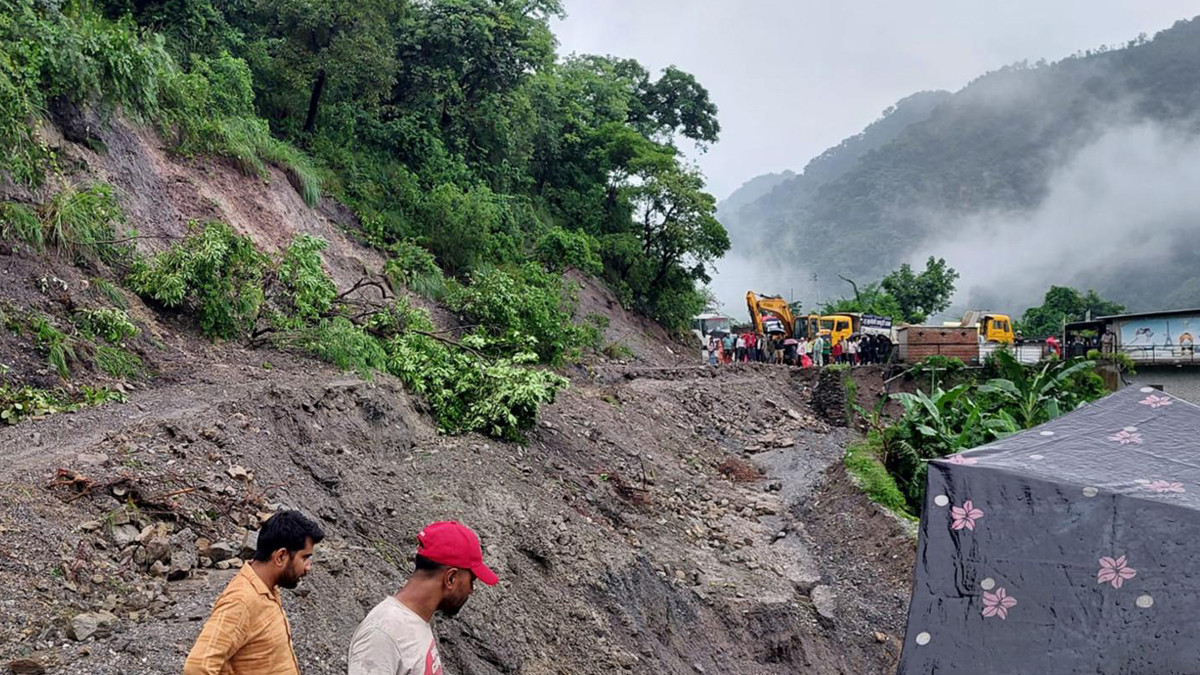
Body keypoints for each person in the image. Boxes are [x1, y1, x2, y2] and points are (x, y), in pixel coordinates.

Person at [347, 521, 498, 675]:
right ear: (451, 578)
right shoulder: (383, 633)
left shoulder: (416, 621)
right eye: (471, 581)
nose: (471, 590)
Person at [184, 511, 325, 675]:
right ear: (280, 556)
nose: (308, 568)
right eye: (304, 558)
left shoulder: (267, 589)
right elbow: (197, 668)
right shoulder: (241, 600)